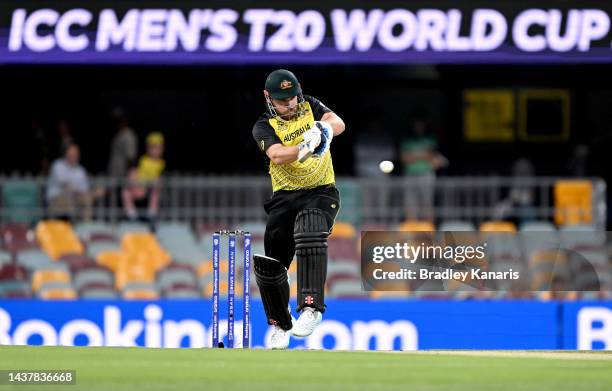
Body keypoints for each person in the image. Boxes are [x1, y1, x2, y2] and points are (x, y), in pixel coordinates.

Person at [252, 69, 346, 349]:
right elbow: (277, 155)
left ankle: (311, 307)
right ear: (269, 98)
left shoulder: (311, 106)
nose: (290, 104)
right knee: (271, 265)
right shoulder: (263, 125)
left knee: (311, 228)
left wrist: (324, 130)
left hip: (320, 191)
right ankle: (280, 324)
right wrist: (305, 147)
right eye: (282, 101)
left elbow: (337, 121)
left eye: (292, 98)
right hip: (284, 197)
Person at [401, 118, 446, 221]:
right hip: (410, 174)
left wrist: (414, 155)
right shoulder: (407, 141)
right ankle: (412, 229)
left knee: (427, 203)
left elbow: (433, 156)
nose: (418, 127)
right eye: (416, 125)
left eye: (421, 125)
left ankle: (429, 230)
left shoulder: (431, 139)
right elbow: (405, 158)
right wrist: (424, 155)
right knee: (410, 203)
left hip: (426, 174)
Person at [46, 143, 104, 221]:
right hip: (56, 199)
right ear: (66, 154)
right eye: (71, 154)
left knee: (88, 200)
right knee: (82, 198)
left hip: (74, 199)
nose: (73, 156)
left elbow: (83, 190)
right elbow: (67, 187)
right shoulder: (58, 165)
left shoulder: (80, 170)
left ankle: (84, 227)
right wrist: (92, 193)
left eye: (75, 154)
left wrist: (93, 194)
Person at [122, 132, 165, 222]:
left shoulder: (162, 164)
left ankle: (151, 214)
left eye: (157, 147)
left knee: (155, 190)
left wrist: (149, 184)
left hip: (149, 189)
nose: (154, 150)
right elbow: (133, 174)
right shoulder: (141, 160)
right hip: (138, 187)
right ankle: (131, 215)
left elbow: (159, 180)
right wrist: (136, 184)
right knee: (125, 192)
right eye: (152, 147)